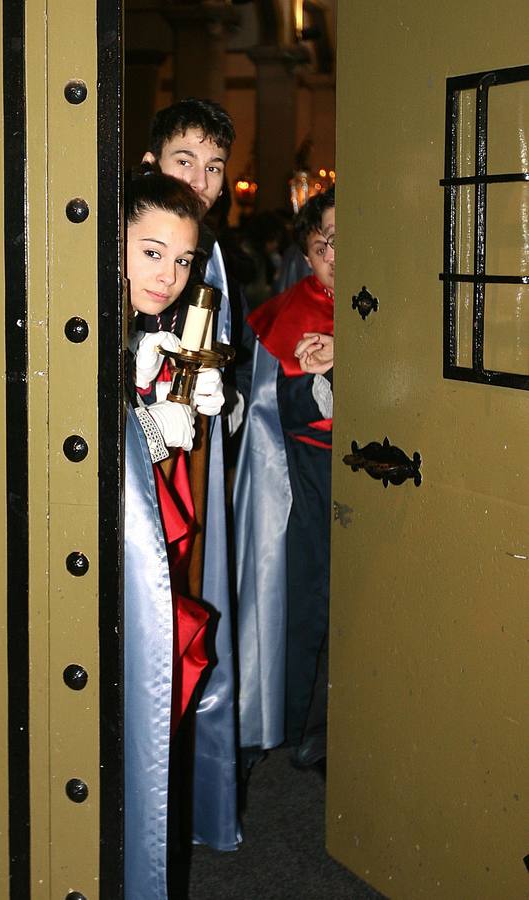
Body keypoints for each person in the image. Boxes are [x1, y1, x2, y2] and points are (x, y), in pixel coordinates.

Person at [141, 98, 241, 853]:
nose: (202, 184)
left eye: (213, 169)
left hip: (181, 470)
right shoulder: (140, 238)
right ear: (149, 166)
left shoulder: (204, 254)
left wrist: (217, 398)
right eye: (185, 163)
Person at [124, 171, 224, 900]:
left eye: (184, 260)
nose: (170, 275)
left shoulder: (149, 328)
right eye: (153, 252)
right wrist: (151, 431)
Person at [234, 187, 335, 770]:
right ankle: (297, 723)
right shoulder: (287, 312)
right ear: (306, 249)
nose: (337, 254)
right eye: (326, 243)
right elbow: (291, 408)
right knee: (306, 603)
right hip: (307, 477)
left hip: (378, 474)